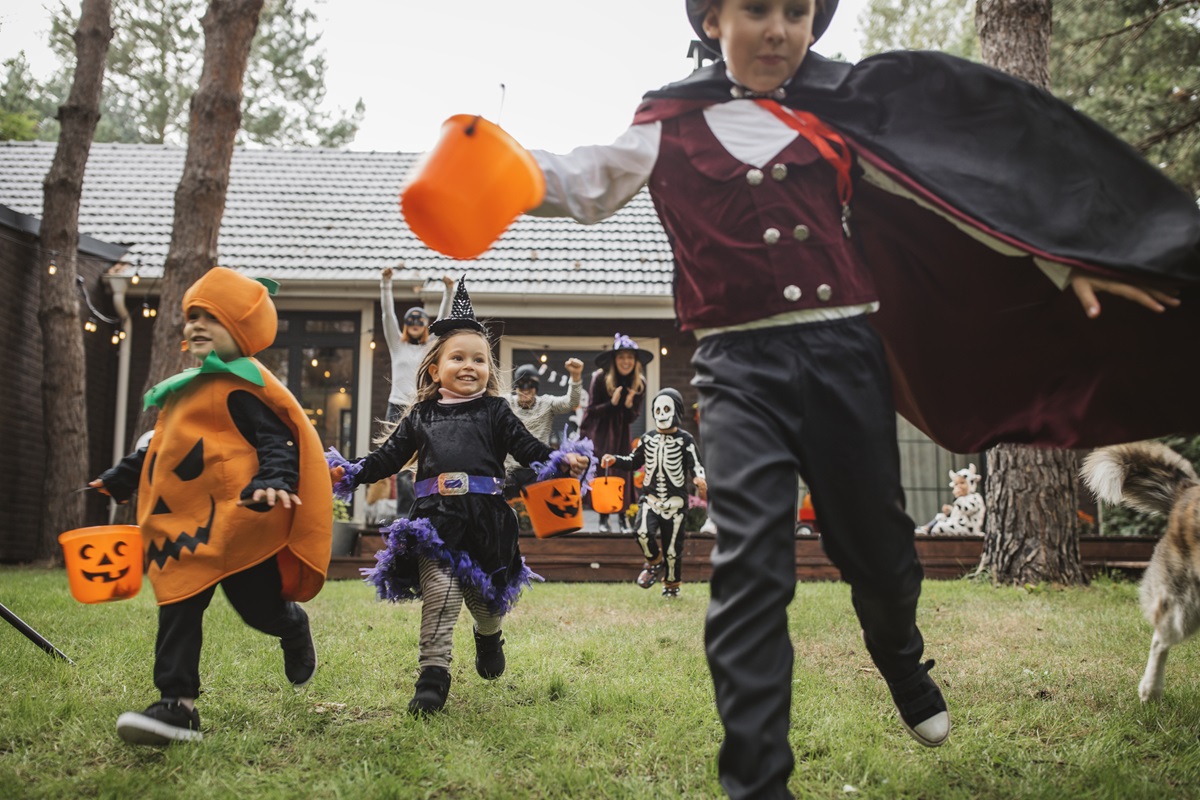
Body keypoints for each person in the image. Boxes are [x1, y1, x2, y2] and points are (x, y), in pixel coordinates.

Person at [526, 1, 1199, 796]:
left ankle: (902, 661)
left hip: (846, 355)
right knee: (750, 568)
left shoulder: (840, 117)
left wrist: (1057, 261)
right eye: (757, 9)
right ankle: (757, 781)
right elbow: (575, 180)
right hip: (738, 371)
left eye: (798, 12)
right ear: (713, 20)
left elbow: (953, 197)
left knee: (878, 551)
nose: (779, 28)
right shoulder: (666, 124)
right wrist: (497, 171)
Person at [91, 267, 332, 746]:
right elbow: (162, 448)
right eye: (192, 316)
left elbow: (277, 439)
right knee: (178, 607)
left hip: (241, 524)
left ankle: (290, 625)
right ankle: (177, 706)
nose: (197, 324)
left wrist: (274, 478)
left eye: (212, 317)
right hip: (184, 528)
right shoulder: (183, 391)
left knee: (257, 609)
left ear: (240, 332)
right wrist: (122, 478)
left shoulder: (244, 387)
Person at [327, 280, 590, 716]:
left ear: (489, 368)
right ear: (435, 368)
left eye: (479, 359)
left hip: (488, 519)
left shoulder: (497, 411)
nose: (470, 366)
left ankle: (488, 635)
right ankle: (432, 677)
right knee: (442, 594)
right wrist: (352, 472)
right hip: (436, 519)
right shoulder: (421, 415)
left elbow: (528, 450)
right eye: (458, 357)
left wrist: (562, 460)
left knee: (486, 603)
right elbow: (387, 457)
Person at [601, 388, 707, 598]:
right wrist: (615, 459)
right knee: (641, 532)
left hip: (676, 503)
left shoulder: (686, 440)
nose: (661, 413)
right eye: (657, 409)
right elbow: (633, 461)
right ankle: (654, 562)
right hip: (650, 499)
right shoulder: (647, 439)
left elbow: (696, 464)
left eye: (666, 409)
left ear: (676, 411)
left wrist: (699, 478)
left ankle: (671, 586)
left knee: (673, 549)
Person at [379, 269, 455, 517]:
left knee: (424, 460)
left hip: (421, 407)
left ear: (425, 326)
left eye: (419, 321)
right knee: (400, 463)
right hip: (397, 407)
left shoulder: (431, 345)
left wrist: (448, 290)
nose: (414, 325)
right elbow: (386, 314)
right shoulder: (396, 345)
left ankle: (426, 510)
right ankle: (405, 516)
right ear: (404, 326)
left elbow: (443, 320)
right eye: (410, 321)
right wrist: (386, 283)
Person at [579, 334, 652, 533]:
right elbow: (591, 411)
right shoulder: (600, 378)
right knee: (605, 472)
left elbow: (631, 418)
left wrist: (629, 406)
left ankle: (622, 518)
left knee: (623, 472)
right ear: (614, 360)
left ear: (635, 361)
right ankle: (603, 518)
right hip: (601, 434)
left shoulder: (639, 383)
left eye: (630, 357)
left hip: (621, 435)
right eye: (621, 357)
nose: (626, 361)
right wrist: (611, 404)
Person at [503, 359, 585, 500]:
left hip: (537, 471)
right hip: (509, 472)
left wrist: (575, 377)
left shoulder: (546, 404)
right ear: (515, 388)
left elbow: (571, 402)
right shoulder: (505, 403)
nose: (525, 392)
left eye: (530, 388)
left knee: (537, 514)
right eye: (521, 388)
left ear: (536, 388)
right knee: (511, 514)